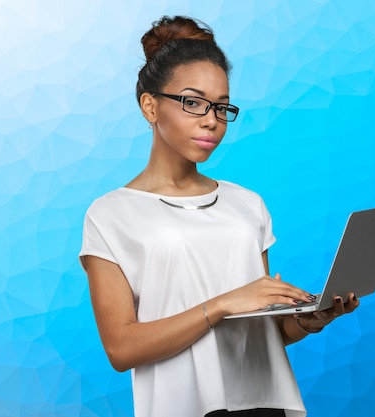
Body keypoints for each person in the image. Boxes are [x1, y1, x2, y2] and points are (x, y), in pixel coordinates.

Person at [79, 15, 359, 417]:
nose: (211, 119)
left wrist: (308, 320)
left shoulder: (247, 204)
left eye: (222, 107)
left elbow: (266, 332)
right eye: (193, 102)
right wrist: (223, 304)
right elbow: (121, 349)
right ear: (149, 106)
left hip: (266, 404)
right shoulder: (110, 215)